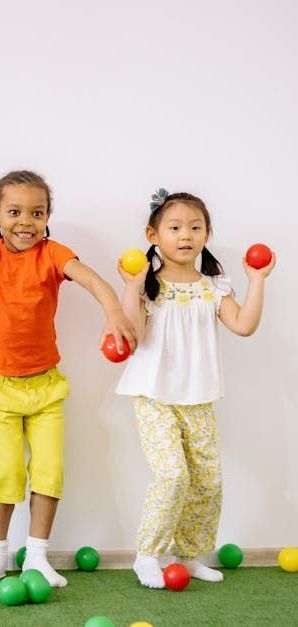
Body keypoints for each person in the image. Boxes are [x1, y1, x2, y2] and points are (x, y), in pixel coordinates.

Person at [0, 170, 135, 587]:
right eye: (15, 211)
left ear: (47, 217)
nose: (26, 221)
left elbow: (92, 279)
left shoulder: (54, 254)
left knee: (50, 470)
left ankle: (37, 555)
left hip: (45, 386)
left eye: (37, 213)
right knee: (6, 473)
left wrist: (115, 314)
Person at [116, 189, 274, 588]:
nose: (185, 235)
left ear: (207, 233)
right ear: (153, 234)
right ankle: (147, 554)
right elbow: (132, 334)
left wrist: (256, 280)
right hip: (154, 395)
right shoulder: (149, 286)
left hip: (198, 397)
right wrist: (131, 286)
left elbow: (243, 325)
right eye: (174, 227)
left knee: (207, 480)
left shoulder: (214, 287)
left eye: (195, 227)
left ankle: (187, 555)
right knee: (172, 475)